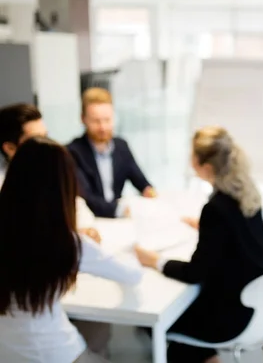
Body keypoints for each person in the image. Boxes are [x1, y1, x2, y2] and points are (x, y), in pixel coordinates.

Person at [0, 137, 143, 363]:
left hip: (7, 353)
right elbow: (133, 274)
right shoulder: (67, 243)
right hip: (55, 355)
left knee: (94, 331)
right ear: (63, 186)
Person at [134, 126, 263, 363]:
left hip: (227, 318)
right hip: (255, 309)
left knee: (151, 321)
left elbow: (194, 273)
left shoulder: (216, 209)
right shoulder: (246, 192)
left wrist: (155, 261)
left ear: (205, 167)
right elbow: (237, 233)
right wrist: (205, 228)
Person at [0, 103, 99, 241]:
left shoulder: (51, 173)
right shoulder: (3, 186)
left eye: (46, 136)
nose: (47, 145)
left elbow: (77, 206)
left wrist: (87, 228)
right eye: (37, 140)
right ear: (10, 148)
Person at [67, 87, 157, 218]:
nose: (103, 127)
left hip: (118, 222)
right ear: (83, 119)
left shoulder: (121, 146)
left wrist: (149, 192)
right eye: (96, 121)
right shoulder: (73, 153)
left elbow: (141, 182)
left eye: (107, 120)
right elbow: (86, 198)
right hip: (92, 220)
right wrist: (120, 210)